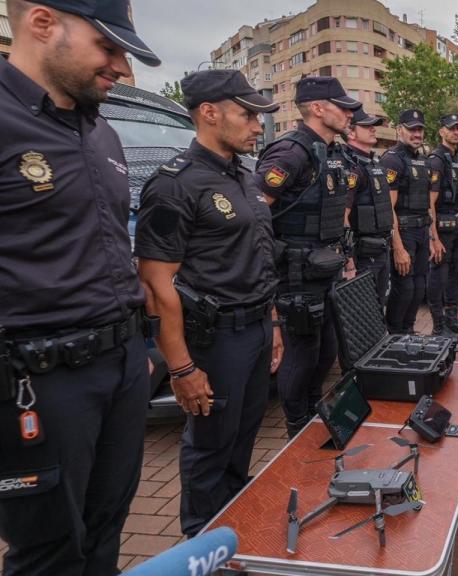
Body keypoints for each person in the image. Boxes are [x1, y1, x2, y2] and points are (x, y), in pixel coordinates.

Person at [0, 1, 159, 572]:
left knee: (104, 531)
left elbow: (111, 246)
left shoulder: (103, 133)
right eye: (107, 47)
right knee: (49, 550)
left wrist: (132, 348)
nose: (120, 66)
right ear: (43, 23)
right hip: (37, 382)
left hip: (118, 367)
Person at [136, 69, 282, 538]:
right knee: (210, 442)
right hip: (217, 338)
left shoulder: (244, 174)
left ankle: (235, 518)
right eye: (249, 115)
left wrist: (273, 324)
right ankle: (201, 538)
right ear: (210, 112)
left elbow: (259, 256)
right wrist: (180, 369)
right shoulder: (175, 184)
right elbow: (156, 284)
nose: (258, 126)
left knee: (243, 434)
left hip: (257, 328)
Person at [255, 76, 360, 437]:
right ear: (317, 109)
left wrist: (344, 255)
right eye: (342, 107)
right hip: (296, 275)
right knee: (302, 353)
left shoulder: (333, 152)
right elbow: (255, 218)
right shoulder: (290, 153)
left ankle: (316, 412)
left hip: (326, 270)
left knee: (327, 349)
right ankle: (296, 424)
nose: (350, 113)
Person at [381, 109, 436, 334]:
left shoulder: (421, 160)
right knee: (404, 288)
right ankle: (395, 335)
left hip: (422, 232)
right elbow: (388, 207)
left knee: (419, 287)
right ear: (399, 130)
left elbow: (427, 204)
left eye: (420, 129)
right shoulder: (392, 159)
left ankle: (408, 331)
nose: (416, 134)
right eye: (412, 129)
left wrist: (431, 237)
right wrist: (398, 248)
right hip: (403, 233)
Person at [426, 113, 458, 339]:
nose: (455, 132)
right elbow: (430, 202)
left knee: (456, 273)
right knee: (439, 273)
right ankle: (438, 326)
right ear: (441, 132)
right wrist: (433, 237)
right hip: (442, 229)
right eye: (451, 128)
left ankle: (452, 318)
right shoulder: (436, 160)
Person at [342, 108, 393, 308]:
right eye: (367, 126)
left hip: (380, 248)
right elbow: (342, 215)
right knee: (363, 311)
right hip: (362, 254)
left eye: (374, 126)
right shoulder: (351, 166)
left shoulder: (374, 162)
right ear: (351, 132)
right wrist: (348, 259)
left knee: (379, 306)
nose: (373, 129)